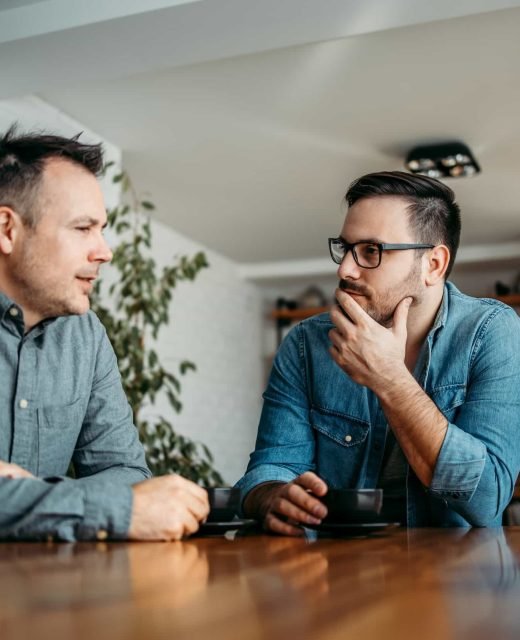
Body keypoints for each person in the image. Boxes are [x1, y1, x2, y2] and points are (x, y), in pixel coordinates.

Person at [237, 170, 520, 533]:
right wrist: (270, 495)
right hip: (338, 573)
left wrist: (390, 379)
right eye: (345, 248)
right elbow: (270, 468)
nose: (345, 268)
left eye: (372, 250)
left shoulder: (491, 332)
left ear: (433, 264)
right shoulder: (306, 344)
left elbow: (488, 498)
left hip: (457, 577)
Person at [0, 127, 209, 541]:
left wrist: (26, 497)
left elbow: (126, 473)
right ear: (7, 229)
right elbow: (126, 498)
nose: (105, 251)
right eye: (83, 229)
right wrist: (94, 506)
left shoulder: (86, 335)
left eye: (103, 228)